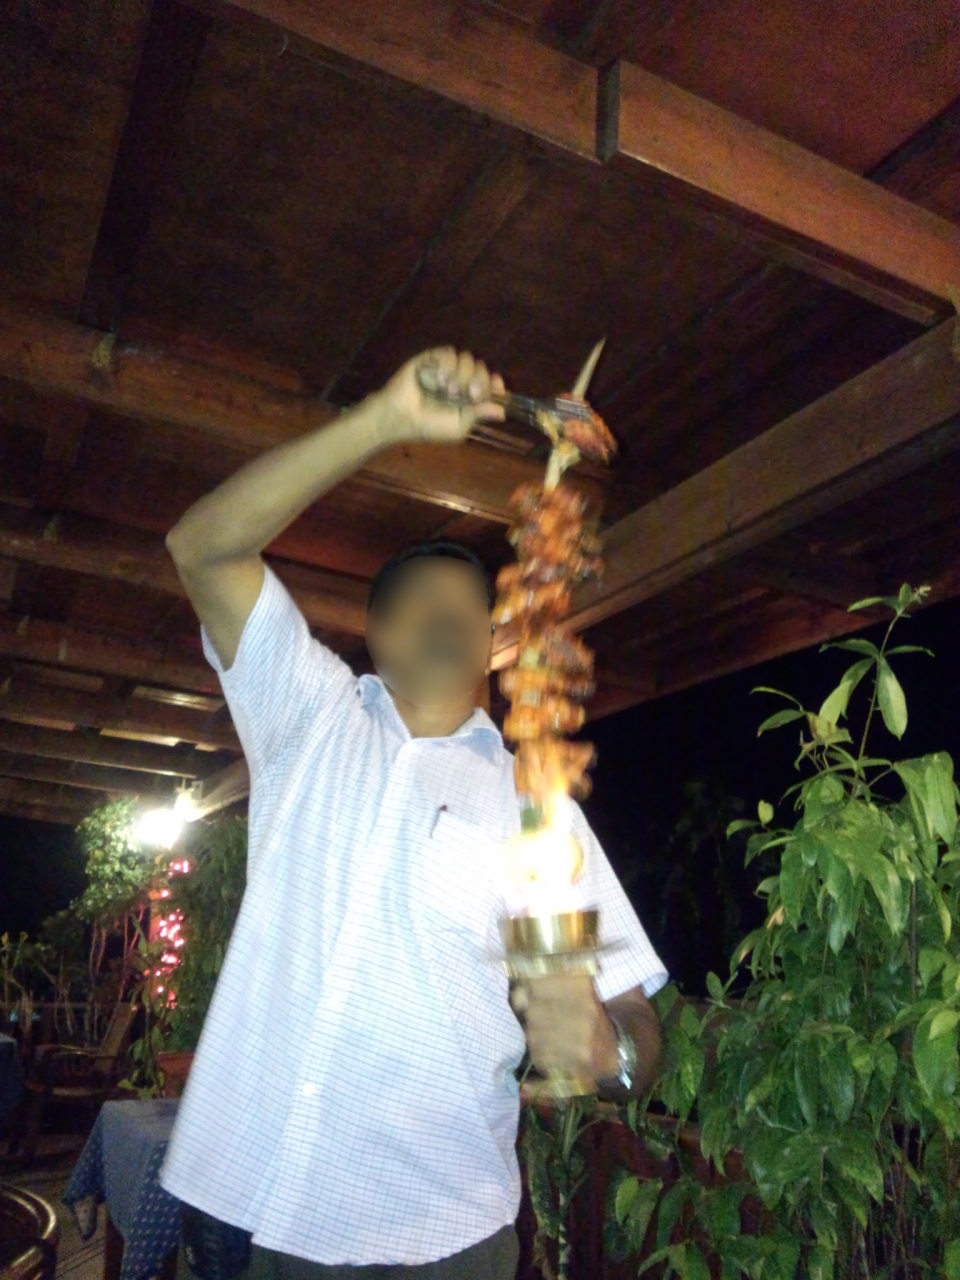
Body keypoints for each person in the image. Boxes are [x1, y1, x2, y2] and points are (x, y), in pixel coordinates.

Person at [160, 348, 668, 1280]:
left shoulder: (535, 803)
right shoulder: (307, 716)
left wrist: (611, 1053)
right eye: (416, 601)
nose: (445, 614)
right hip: (250, 1206)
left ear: (495, 637)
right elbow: (202, 547)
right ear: (376, 634)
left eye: (468, 604)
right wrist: (383, 421)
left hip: (443, 1233)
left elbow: (635, 1016)